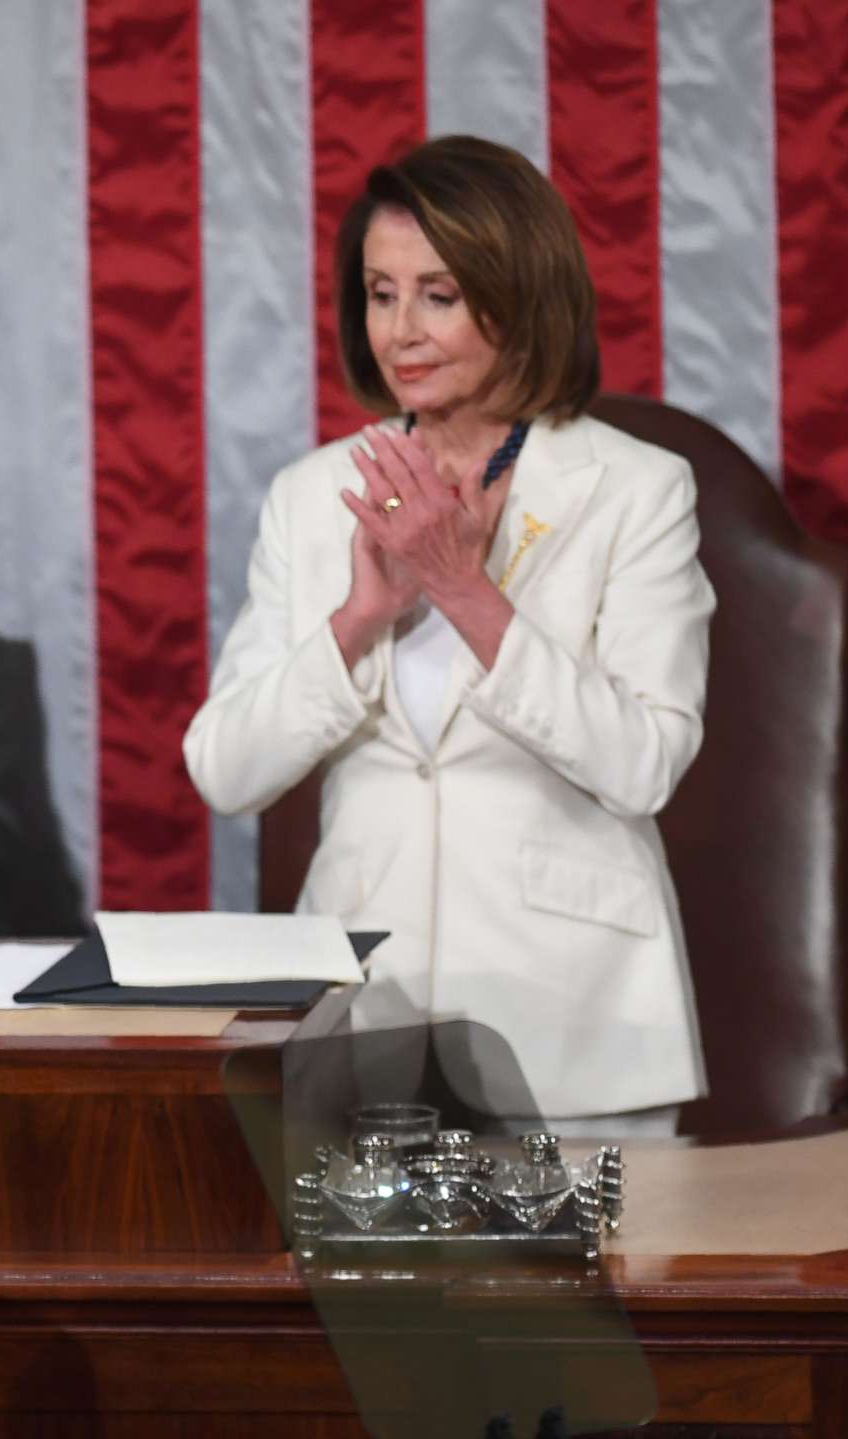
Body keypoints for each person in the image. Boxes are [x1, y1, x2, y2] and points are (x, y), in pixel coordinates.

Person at [184, 136, 714, 1136]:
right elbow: (224, 768)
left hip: (577, 1036)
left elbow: (644, 765)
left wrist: (465, 591)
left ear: (517, 298)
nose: (400, 331)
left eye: (438, 294)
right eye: (380, 294)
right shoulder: (311, 497)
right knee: (364, 1302)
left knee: (584, 1300)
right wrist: (357, 620)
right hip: (359, 1036)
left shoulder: (637, 490)